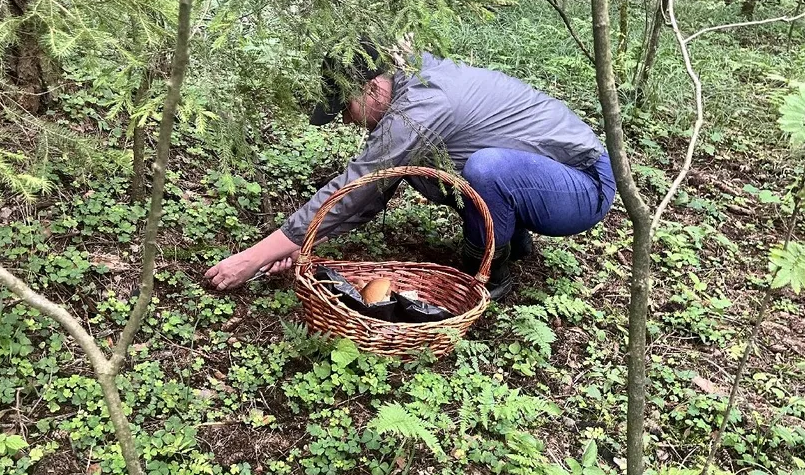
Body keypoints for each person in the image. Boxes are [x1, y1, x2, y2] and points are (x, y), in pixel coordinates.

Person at [205, 39, 616, 300]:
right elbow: (373, 187)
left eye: (344, 109)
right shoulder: (408, 85)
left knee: (486, 168)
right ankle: (509, 238)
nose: (346, 121)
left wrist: (253, 257)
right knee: (423, 168)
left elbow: (356, 188)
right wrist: (296, 244)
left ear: (371, 88)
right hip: (539, 178)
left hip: (583, 186)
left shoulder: (421, 105)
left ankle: (488, 268)